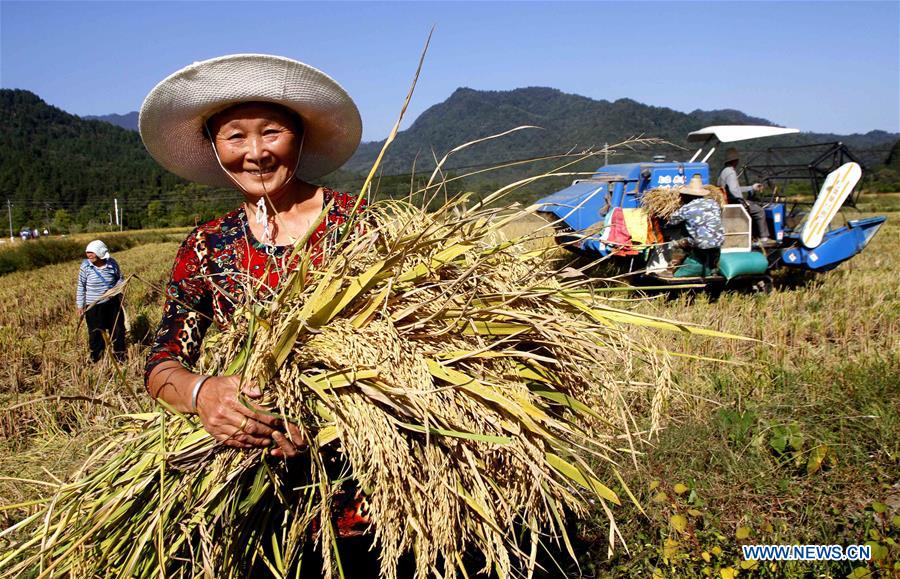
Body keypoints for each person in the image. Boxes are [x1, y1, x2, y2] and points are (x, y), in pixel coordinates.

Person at [139, 54, 384, 573]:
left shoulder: (360, 228)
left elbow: (415, 345)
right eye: (234, 137)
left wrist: (328, 419)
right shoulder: (207, 247)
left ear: (299, 136)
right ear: (213, 146)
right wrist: (204, 395)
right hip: (256, 493)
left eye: (271, 132)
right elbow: (161, 359)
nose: (255, 153)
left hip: (369, 480)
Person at [76, 239, 126, 361]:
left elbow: (120, 278)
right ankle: (96, 358)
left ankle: (120, 356)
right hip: (94, 306)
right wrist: (80, 305)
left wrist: (114, 290)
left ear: (100, 253)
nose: (89, 255)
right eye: (88, 253)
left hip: (112, 304)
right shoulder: (85, 266)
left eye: (92, 253)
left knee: (118, 329)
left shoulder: (112, 264)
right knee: (95, 333)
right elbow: (81, 286)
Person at [667, 175, 725, 273]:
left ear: (688, 196)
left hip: (700, 243)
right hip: (719, 241)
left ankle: (672, 270)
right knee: (710, 246)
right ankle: (713, 269)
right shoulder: (713, 203)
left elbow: (672, 221)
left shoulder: (687, 208)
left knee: (673, 244)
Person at [717, 147, 773, 245]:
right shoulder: (731, 172)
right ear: (735, 161)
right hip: (735, 203)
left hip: (729, 202)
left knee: (754, 207)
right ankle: (764, 238)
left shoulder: (723, 171)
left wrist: (752, 187)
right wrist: (743, 201)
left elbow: (735, 188)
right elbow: (734, 190)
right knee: (759, 211)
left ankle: (754, 235)